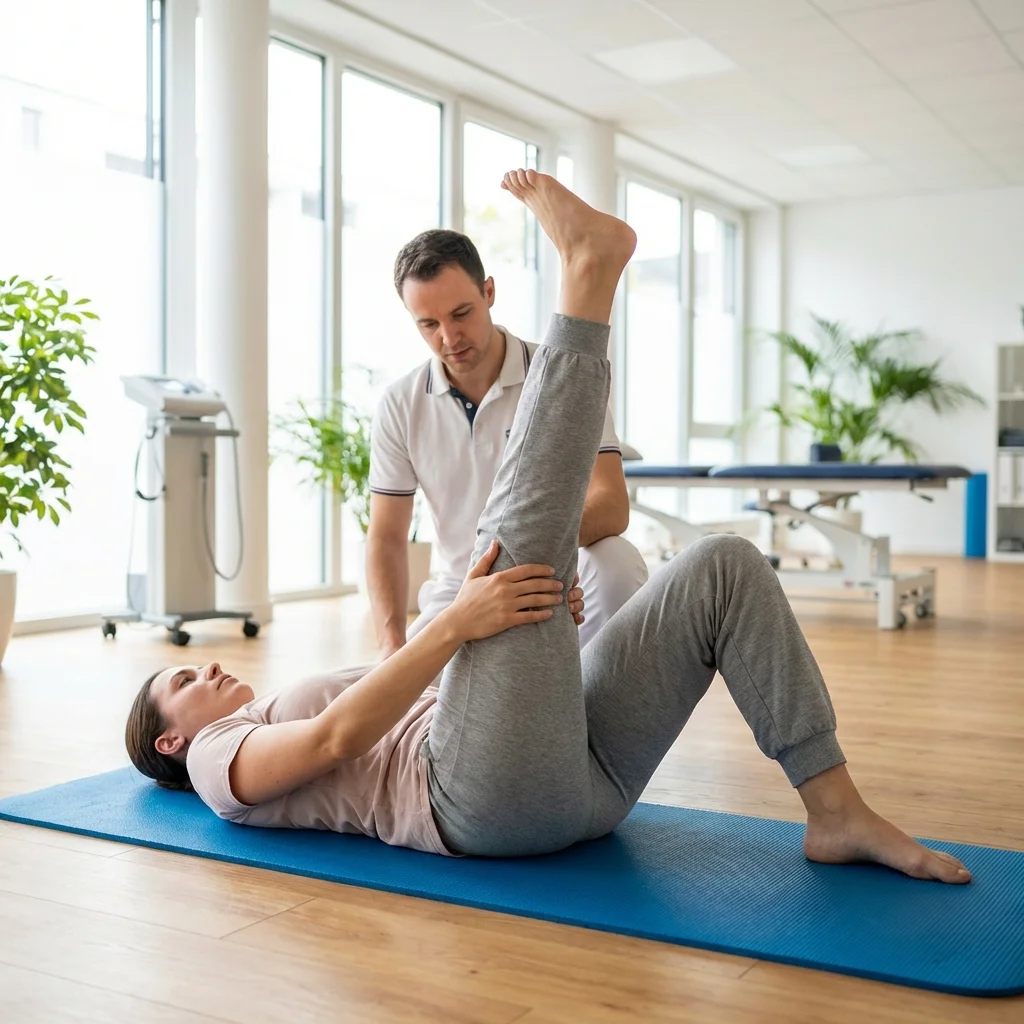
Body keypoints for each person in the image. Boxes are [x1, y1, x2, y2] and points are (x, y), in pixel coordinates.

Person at [125, 169, 971, 884]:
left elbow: (412, 694)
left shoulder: (263, 705)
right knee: (506, 549)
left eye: (460, 315)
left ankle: (836, 810)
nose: (205, 667)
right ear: (172, 735)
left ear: (486, 297)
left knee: (722, 563)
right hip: (473, 801)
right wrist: (459, 623)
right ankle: (590, 270)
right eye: (185, 680)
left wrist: (515, 651)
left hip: (578, 782)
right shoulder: (216, 762)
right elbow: (345, 735)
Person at [366, 225, 647, 656]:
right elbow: (386, 537)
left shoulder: (563, 375)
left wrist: (530, 558)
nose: (448, 337)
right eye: (428, 324)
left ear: (489, 292)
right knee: (411, 706)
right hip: (460, 592)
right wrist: (390, 647)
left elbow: (611, 504)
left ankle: (602, 699)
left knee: (617, 565)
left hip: (557, 575)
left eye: (461, 314)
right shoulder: (400, 403)